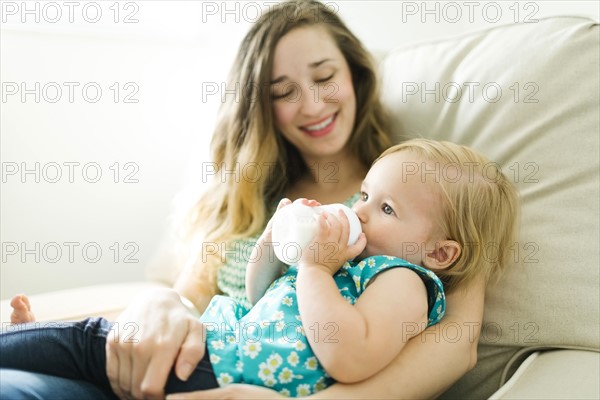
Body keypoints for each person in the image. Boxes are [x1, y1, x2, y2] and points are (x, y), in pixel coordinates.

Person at [1, 1, 496, 398]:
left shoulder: (421, 202)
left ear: (355, 75)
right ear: (262, 107)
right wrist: (156, 302)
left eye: (324, 78)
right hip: (171, 358)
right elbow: (185, 297)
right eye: (283, 92)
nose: (313, 104)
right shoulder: (245, 197)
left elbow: (455, 346)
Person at [3, 139, 519, 399]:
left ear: (441, 253)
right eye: (364, 195)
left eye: (385, 209)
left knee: (88, 343)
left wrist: (316, 269)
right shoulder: (347, 263)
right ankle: (32, 341)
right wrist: (279, 241)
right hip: (219, 344)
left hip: (230, 374)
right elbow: (258, 292)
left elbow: (351, 357)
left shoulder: (403, 281)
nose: (359, 211)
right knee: (94, 344)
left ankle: (32, 343)